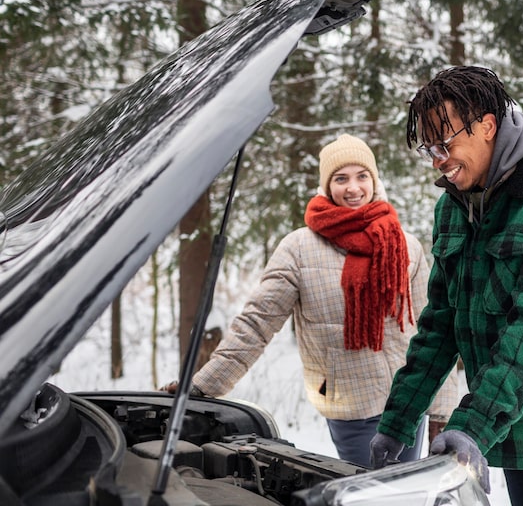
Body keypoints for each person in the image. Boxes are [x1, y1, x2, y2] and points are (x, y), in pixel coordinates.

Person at [369, 66, 523, 505]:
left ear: (487, 126)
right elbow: (440, 324)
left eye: (445, 144)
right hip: (506, 409)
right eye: (429, 148)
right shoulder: (452, 208)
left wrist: (472, 424)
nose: (437, 160)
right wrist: (399, 417)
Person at [164, 134, 457, 468]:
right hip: (353, 408)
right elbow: (257, 324)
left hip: (407, 403)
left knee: (405, 495)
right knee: (367, 492)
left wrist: (441, 410)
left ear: (374, 181)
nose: (353, 187)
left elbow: (433, 327)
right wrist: (203, 385)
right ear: (326, 185)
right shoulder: (298, 248)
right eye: (341, 178)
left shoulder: (403, 244)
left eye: (362, 176)